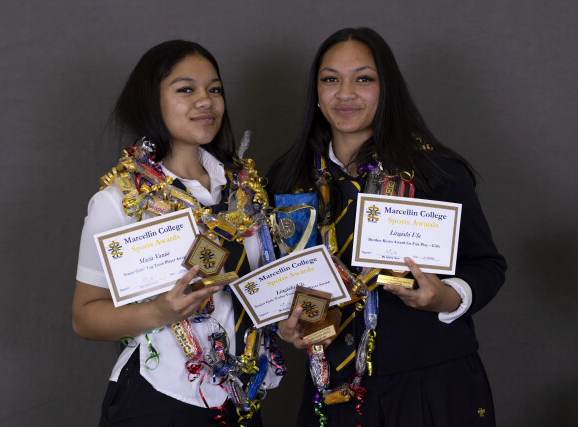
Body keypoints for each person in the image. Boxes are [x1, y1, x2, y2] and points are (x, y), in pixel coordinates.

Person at [271, 27, 507, 426]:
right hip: (330, 389)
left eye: (363, 79)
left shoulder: (434, 172)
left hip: (431, 385)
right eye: (331, 79)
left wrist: (446, 297)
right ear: (316, 92)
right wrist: (285, 325)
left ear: (387, 89)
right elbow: (279, 278)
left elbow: (486, 265)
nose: (345, 94)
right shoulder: (287, 178)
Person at [73, 40, 284, 426]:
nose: (206, 101)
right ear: (150, 102)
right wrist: (158, 312)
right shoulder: (122, 201)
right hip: (160, 395)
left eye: (214, 89)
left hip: (240, 396)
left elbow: (258, 289)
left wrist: (290, 319)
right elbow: (85, 317)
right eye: (186, 89)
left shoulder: (247, 192)